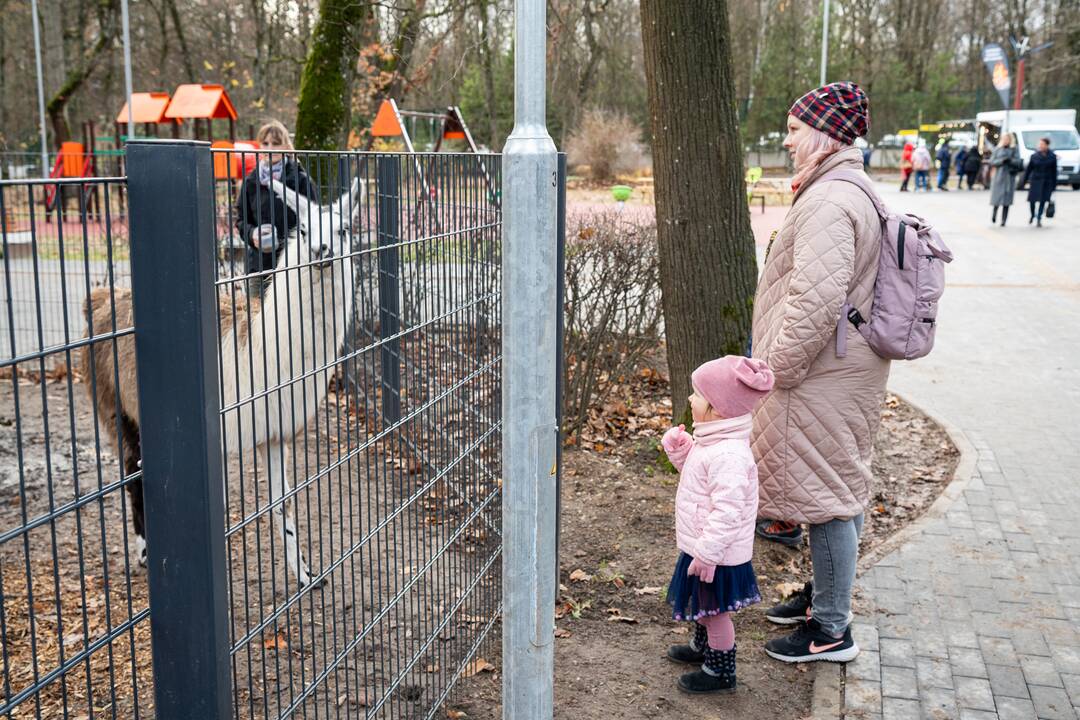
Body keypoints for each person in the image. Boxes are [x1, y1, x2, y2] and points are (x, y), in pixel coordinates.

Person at [752, 82, 888, 664]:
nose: (786, 138)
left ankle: (830, 629)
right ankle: (823, 600)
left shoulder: (832, 201)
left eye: (793, 127)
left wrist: (775, 371)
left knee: (830, 497)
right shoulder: (844, 188)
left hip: (821, 373)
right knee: (836, 486)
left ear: (825, 133)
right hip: (841, 368)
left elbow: (814, 299)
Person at [660, 356, 775, 694]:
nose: (690, 400)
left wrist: (708, 552)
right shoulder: (712, 442)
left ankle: (720, 670)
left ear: (718, 409)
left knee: (715, 612)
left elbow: (729, 511)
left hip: (717, 554)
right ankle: (703, 647)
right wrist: (681, 451)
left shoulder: (729, 455)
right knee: (703, 604)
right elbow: (698, 481)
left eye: (697, 395)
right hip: (703, 545)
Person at [234, 120, 320, 283]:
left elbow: (314, 220)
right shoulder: (251, 181)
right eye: (265, 143)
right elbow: (241, 219)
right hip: (259, 266)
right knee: (258, 308)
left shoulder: (300, 180)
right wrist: (252, 234)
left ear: (286, 147)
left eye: (276, 143)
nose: (270, 148)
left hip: (294, 265)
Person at [1021, 137, 1057, 227]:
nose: (1040, 146)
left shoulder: (1052, 156)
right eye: (1040, 144)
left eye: (1042, 144)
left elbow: (1054, 171)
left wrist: (1054, 185)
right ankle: (1033, 214)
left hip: (1047, 181)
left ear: (1047, 145)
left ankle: (1039, 218)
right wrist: (1024, 181)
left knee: (1043, 201)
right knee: (1032, 201)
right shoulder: (1034, 156)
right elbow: (1028, 170)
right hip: (1035, 181)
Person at [989, 133, 1021, 226]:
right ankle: (994, 214)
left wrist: (1010, 161)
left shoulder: (1014, 149)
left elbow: (1018, 161)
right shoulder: (998, 149)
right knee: (996, 198)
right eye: (1004, 139)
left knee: (1007, 200)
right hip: (999, 176)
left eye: (1007, 139)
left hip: (1009, 177)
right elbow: (992, 161)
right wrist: (1001, 161)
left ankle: (1004, 220)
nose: (1005, 141)